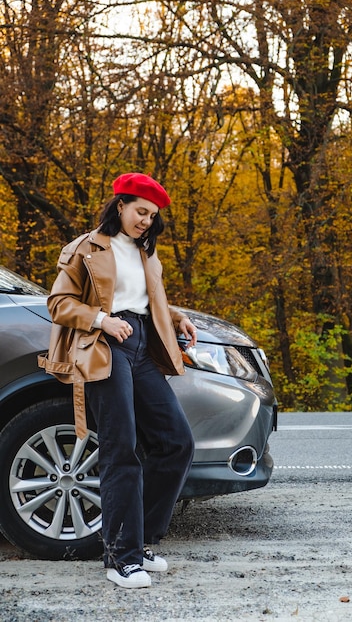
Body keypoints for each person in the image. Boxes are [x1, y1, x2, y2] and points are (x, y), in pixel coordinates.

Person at [40, 172, 196, 589]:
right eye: (140, 211)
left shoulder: (147, 252)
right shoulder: (85, 248)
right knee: (120, 448)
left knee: (176, 441)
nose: (146, 220)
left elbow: (144, 298)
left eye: (152, 216)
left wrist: (176, 316)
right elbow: (58, 302)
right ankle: (120, 559)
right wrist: (101, 320)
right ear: (121, 206)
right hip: (106, 348)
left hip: (144, 347)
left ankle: (141, 541)